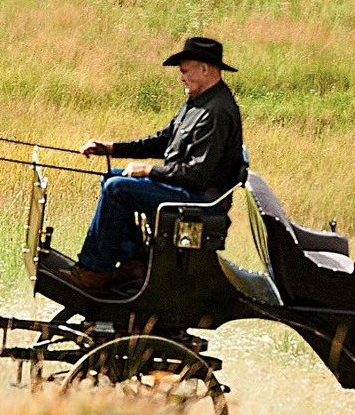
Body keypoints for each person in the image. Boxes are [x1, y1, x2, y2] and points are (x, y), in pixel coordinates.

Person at [61, 36, 245, 291]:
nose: (181, 78)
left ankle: (95, 271)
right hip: (188, 189)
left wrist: (148, 170)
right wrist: (112, 148)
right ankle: (131, 262)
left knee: (117, 188)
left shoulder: (217, 112)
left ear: (204, 69)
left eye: (184, 71)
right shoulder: (198, 102)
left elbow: (197, 175)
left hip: (200, 199)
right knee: (111, 177)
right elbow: (162, 141)